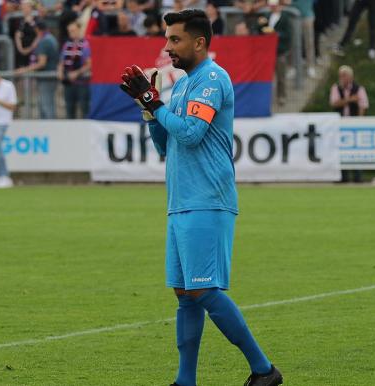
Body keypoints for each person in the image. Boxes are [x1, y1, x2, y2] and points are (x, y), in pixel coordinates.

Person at [119, 9, 283, 386]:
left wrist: (157, 105)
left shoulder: (212, 78)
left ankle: (264, 370)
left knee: (202, 289)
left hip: (208, 197)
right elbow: (166, 143)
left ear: (200, 42)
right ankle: (185, 381)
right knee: (185, 293)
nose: (167, 47)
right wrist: (149, 107)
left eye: (175, 39)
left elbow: (191, 133)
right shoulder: (183, 85)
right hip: (181, 201)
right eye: (167, 38)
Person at [330, 65, 368, 183]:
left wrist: (359, 121)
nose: (342, 78)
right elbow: (334, 103)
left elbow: (363, 105)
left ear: (351, 77)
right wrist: (350, 100)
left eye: (344, 75)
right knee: (341, 150)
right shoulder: (336, 88)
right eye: (340, 76)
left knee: (356, 150)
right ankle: (343, 176)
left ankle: (357, 176)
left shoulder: (359, 88)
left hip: (354, 123)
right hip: (340, 123)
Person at [15, 20, 59, 119]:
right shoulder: (51, 38)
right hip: (49, 77)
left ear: (38, 30)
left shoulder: (44, 41)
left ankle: (49, 130)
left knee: (46, 106)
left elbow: (41, 63)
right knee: (46, 105)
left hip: (46, 78)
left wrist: (24, 70)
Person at [58, 21, 91, 118]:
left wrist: (77, 73)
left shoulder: (85, 45)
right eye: (69, 31)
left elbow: (89, 64)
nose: (71, 33)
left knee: (84, 107)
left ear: (79, 30)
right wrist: (59, 71)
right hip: (69, 82)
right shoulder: (67, 45)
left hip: (82, 82)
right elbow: (61, 61)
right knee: (69, 108)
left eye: (73, 30)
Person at [260, 0, 291, 106]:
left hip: (279, 51)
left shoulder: (285, 18)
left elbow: (288, 34)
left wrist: (275, 34)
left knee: (281, 76)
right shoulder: (267, 16)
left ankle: (281, 96)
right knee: (267, 76)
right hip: (268, 51)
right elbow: (261, 30)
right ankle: (268, 98)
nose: (273, 7)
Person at [15, 0, 38, 68]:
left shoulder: (36, 20)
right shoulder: (20, 21)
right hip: (21, 51)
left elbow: (39, 34)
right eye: (23, 7)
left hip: (33, 51)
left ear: (31, 7)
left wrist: (30, 49)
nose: (24, 9)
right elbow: (17, 35)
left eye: (26, 7)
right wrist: (21, 49)